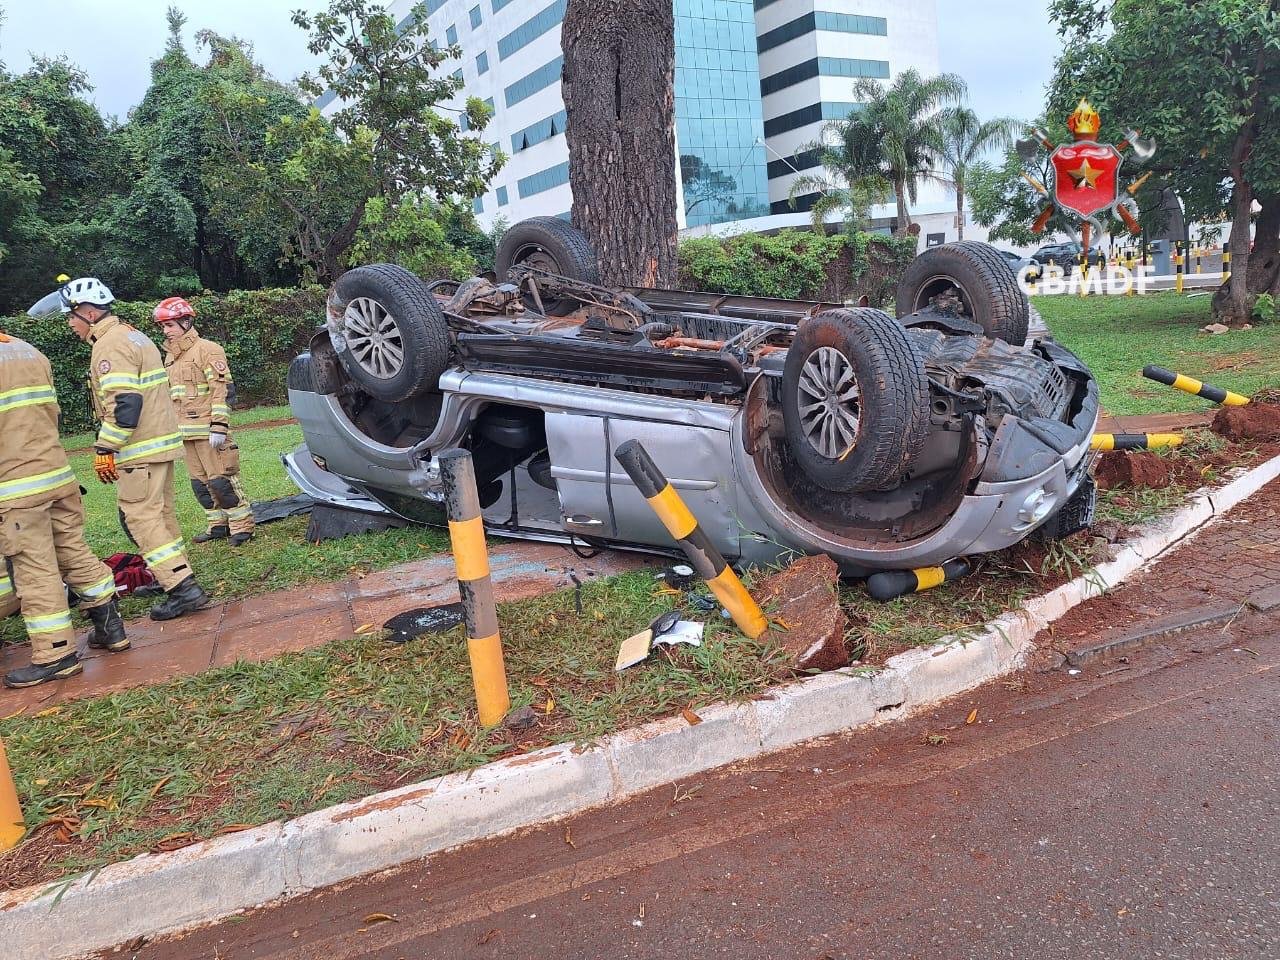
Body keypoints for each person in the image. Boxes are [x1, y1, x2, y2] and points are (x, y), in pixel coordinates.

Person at [56, 277, 210, 621]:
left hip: (139, 448)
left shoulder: (109, 345)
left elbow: (125, 404)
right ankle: (169, 574)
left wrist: (105, 448)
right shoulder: (134, 335)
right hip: (162, 444)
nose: (69, 324)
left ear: (90, 312)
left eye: (71, 316)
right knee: (161, 516)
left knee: (139, 517)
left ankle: (182, 587)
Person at [0, 327, 127, 688]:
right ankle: (111, 628)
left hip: (15, 487)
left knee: (34, 570)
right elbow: (51, 414)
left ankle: (56, 654)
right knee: (71, 549)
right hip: (57, 475)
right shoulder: (26, 350)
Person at [154, 297, 255, 546]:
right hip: (185, 433)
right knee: (200, 485)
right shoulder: (170, 357)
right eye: (163, 327)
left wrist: (219, 425)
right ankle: (217, 525)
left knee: (222, 481)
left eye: (170, 326)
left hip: (210, 431)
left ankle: (242, 527)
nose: (166, 332)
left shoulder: (208, 350)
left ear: (186, 323)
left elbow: (222, 389)